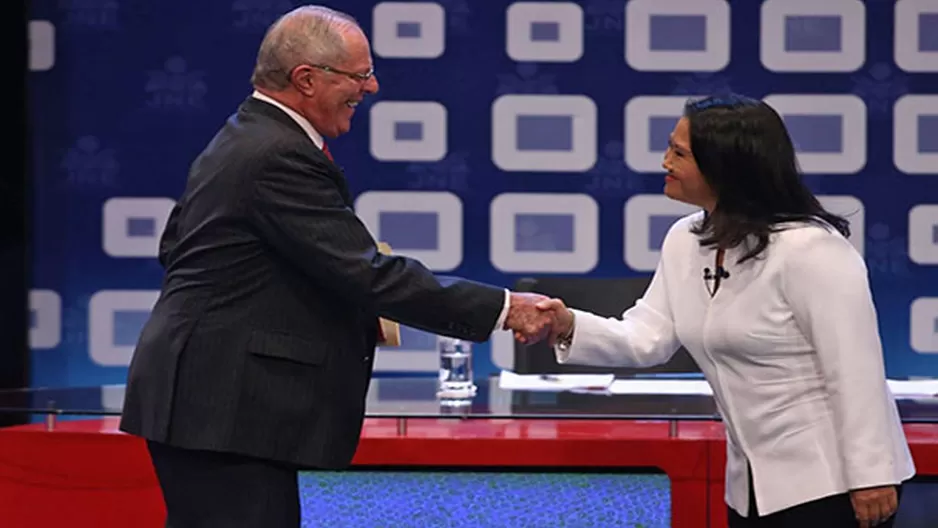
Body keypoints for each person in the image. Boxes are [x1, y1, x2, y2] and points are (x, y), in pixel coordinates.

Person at [118, 6, 550, 527]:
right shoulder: (276, 154)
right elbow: (366, 274)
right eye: (360, 75)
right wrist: (504, 308)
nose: (371, 87)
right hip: (222, 410)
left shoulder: (242, 136)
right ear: (306, 79)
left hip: (212, 406)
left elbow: (180, 249)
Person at [529, 94, 915, 527]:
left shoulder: (810, 248)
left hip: (831, 481)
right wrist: (567, 325)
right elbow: (647, 338)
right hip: (750, 487)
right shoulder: (686, 239)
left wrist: (871, 475)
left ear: (724, 166)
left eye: (679, 153)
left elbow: (855, 369)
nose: (664, 162)